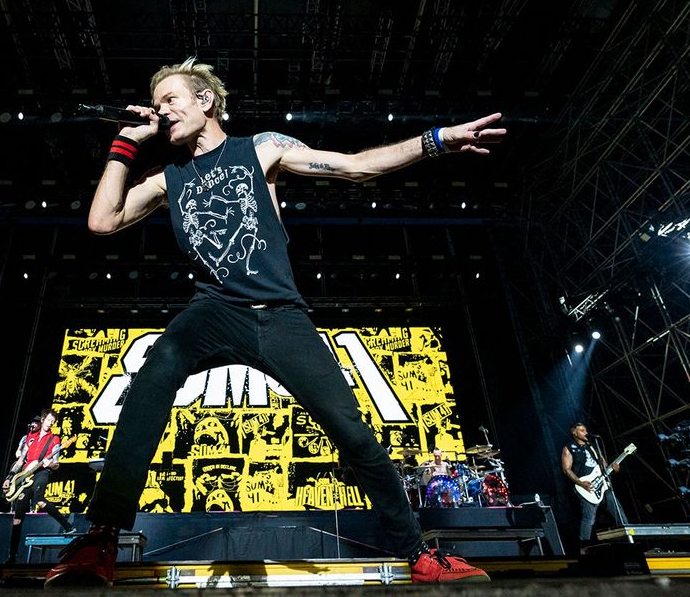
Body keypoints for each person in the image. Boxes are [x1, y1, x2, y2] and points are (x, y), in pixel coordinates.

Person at [45, 57, 505, 586]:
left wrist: (437, 140)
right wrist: (127, 143)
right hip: (213, 310)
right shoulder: (166, 178)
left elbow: (358, 166)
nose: (162, 109)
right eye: (158, 102)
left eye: (172, 98)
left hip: (280, 316)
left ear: (206, 102)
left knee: (353, 433)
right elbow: (102, 222)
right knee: (152, 375)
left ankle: (418, 554)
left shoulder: (261, 148)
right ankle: (99, 541)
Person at [4, 409, 75, 563]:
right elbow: (21, 459)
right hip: (25, 475)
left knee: (39, 500)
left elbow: (56, 463)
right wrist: (10, 477)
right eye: (49, 420)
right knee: (17, 518)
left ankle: (67, 526)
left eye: (53, 422)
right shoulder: (30, 438)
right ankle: (12, 556)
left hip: (42, 472)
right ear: (43, 419)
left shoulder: (55, 439)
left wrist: (52, 464)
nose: (50, 423)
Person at [560, 422, 625, 549]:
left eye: (586, 430)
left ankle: (628, 540)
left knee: (618, 512)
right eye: (582, 430)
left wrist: (614, 468)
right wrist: (580, 483)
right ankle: (584, 547)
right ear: (574, 432)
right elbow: (566, 469)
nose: (586, 432)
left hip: (603, 485)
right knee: (589, 519)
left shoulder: (593, 446)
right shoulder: (569, 448)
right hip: (586, 487)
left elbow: (604, 465)